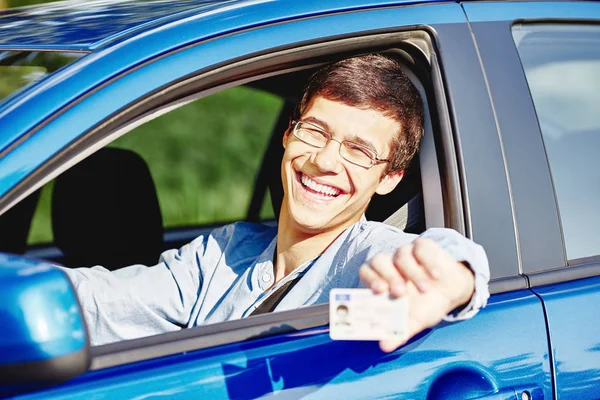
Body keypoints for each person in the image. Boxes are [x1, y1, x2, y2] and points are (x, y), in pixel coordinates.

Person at [63, 54, 490, 351]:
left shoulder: (367, 261)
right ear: (288, 136)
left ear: (389, 178)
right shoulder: (225, 254)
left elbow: (444, 261)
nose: (323, 161)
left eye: (358, 151)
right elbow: (103, 303)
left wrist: (456, 280)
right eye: (314, 132)